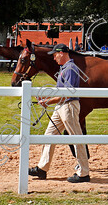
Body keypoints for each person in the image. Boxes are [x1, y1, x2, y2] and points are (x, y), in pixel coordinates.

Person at [28, 43, 90, 183]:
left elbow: (67, 94)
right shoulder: (64, 68)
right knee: (49, 135)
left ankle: (84, 173)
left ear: (62, 53)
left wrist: (48, 102)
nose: (54, 58)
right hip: (61, 106)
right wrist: (48, 100)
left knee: (76, 138)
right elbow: (61, 93)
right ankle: (42, 168)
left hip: (68, 107)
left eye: (55, 55)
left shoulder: (70, 69)